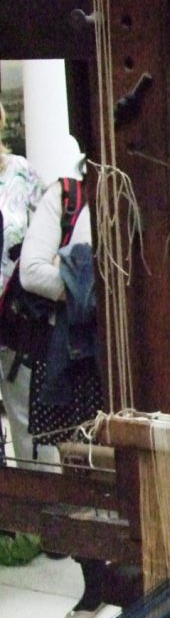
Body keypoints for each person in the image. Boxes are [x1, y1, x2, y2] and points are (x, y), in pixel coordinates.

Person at [18, 139, 106, 618]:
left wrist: (70, 268)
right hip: (72, 358)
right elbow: (32, 272)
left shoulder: (144, 189)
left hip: (130, 353)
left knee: (134, 466)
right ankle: (93, 582)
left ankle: (141, 572)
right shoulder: (67, 194)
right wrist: (92, 287)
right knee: (80, 474)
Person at [0, 102, 44, 467]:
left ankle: (40, 515)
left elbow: (51, 232)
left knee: (27, 415)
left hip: (17, 314)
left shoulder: (22, 173)